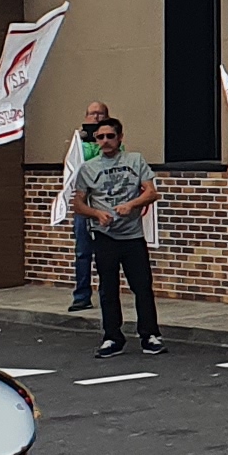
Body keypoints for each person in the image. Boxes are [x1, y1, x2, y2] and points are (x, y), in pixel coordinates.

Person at [70, 118, 163, 355]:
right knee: (108, 288)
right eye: (100, 137)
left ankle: (150, 335)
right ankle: (112, 337)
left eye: (110, 136)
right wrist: (96, 214)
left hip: (132, 236)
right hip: (105, 236)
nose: (105, 141)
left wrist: (131, 205)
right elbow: (78, 204)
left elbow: (152, 193)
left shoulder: (135, 160)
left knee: (142, 286)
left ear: (120, 138)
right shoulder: (88, 168)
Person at [55, 101, 114, 311]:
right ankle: (81, 295)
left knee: (106, 252)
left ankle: (107, 294)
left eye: (100, 114)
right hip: (83, 204)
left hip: (104, 204)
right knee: (82, 252)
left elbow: (108, 161)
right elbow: (73, 165)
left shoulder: (111, 140)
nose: (96, 117)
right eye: (92, 113)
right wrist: (79, 141)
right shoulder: (78, 142)